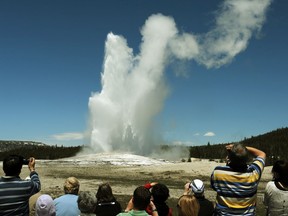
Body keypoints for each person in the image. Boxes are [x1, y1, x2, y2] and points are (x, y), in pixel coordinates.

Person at [211, 143, 266, 215]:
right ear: (247, 159)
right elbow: (262, 154)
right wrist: (242, 148)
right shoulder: (254, 173)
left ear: (229, 158)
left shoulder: (218, 172)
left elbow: (214, 187)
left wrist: (234, 152)